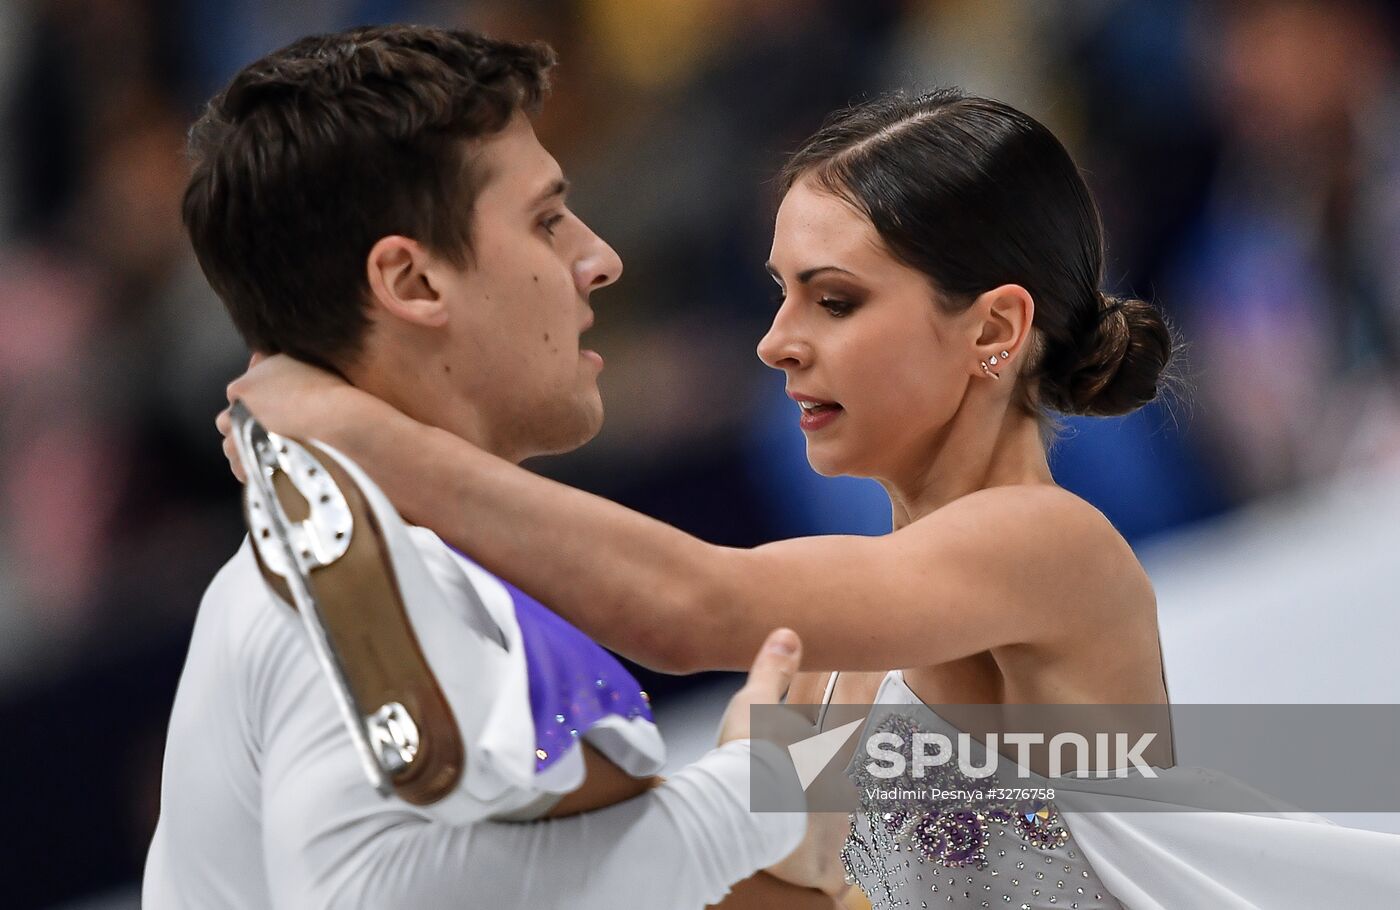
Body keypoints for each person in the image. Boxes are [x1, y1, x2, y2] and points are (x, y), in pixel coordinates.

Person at [223, 88, 1400, 907]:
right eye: (778, 295)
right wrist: (735, 831)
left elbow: (687, 602)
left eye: (832, 301)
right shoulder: (839, 653)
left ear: (992, 328)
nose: (776, 344)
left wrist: (359, 434)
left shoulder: (1046, 544)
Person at [147, 24, 848, 909]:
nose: (599, 258)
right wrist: (750, 802)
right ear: (412, 283)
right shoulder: (327, 577)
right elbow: (370, 896)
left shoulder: (424, 570)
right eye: (547, 219)